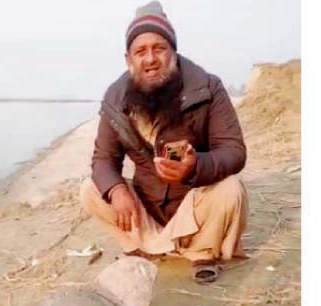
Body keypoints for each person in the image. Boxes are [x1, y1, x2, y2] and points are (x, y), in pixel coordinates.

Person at [80, 1, 249, 283]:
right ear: (129, 59)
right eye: (140, 51)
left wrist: (196, 166)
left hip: (194, 204)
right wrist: (117, 189)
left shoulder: (208, 87)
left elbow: (234, 151)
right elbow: (103, 160)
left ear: (173, 52)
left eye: (159, 48)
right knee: (91, 189)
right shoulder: (115, 97)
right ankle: (144, 248)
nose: (150, 59)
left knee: (231, 189)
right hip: (148, 210)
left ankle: (200, 252)